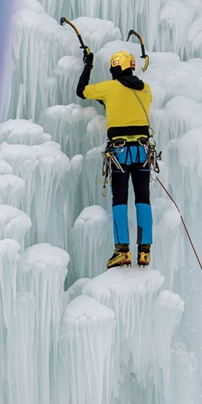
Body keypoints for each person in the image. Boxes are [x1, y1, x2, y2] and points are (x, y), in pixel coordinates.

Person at [76, 48, 154, 268]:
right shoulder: (146, 89)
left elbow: (81, 91)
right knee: (143, 200)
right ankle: (144, 252)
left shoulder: (109, 88)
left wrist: (88, 63)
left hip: (120, 154)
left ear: (116, 69)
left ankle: (122, 251)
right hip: (142, 153)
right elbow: (125, 102)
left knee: (120, 201)